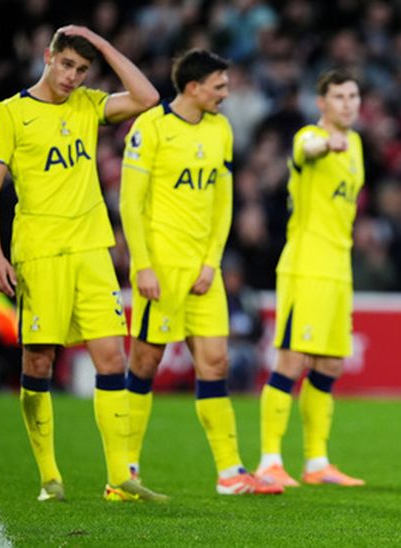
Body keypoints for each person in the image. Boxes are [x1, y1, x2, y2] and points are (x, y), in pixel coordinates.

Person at [0, 26, 166, 502]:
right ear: (47, 57)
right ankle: (49, 477)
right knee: (39, 360)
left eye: (82, 70)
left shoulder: (89, 104)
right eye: (66, 65)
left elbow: (147, 96)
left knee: (112, 358)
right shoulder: (11, 113)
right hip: (40, 252)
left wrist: (102, 46)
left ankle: (120, 478)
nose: (73, 77)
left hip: (92, 252)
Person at [119, 49, 281, 496]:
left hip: (201, 273)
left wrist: (212, 262)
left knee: (215, 362)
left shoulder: (220, 130)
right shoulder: (150, 127)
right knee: (146, 363)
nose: (226, 94)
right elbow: (131, 204)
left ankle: (229, 472)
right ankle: (124, 469)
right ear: (193, 88)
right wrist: (143, 265)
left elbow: (222, 203)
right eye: (219, 87)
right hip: (160, 268)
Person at [255, 69, 365, 488]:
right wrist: (325, 143)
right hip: (305, 266)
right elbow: (309, 150)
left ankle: (316, 462)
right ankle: (269, 460)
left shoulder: (355, 144)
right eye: (339, 97)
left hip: (339, 268)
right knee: (290, 360)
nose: (348, 103)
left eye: (353, 96)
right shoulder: (308, 137)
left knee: (331, 363)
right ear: (322, 103)